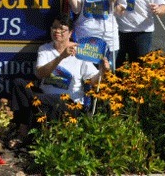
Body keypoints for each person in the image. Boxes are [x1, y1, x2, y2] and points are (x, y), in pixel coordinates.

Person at [9, 14, 110, 147]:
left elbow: (94, 81)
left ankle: (33, 136)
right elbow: (40, 74)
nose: (57, 31)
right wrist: (61, 57)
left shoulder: (80, 52)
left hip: (69, 104)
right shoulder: (45, 49)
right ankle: (23, 133)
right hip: (44, 97)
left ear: (70, 33)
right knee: (19, 85)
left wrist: (103, 71)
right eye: (54, 28)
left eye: (62, 29)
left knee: (49, 100)